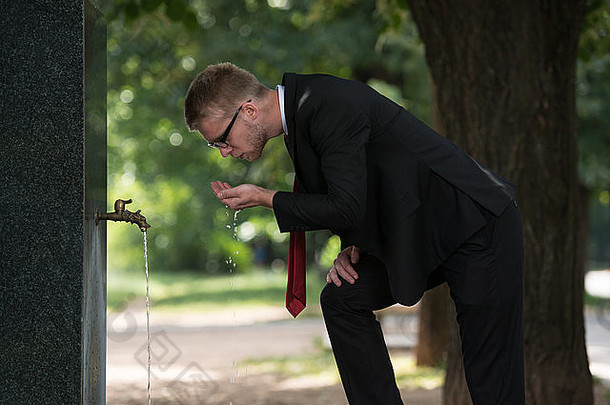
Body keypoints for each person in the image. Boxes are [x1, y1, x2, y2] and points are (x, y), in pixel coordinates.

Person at [184, 62, 525, 405]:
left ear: (249, 110)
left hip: (475, 220)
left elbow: (346, 205)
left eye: (221, 141)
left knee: (491, 374)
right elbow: (363, 182)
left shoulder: (324, 103)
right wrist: (356, 244)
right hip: (419, 229)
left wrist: (265, 198)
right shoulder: (303, 114)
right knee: (343, 298)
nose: (225, 152)